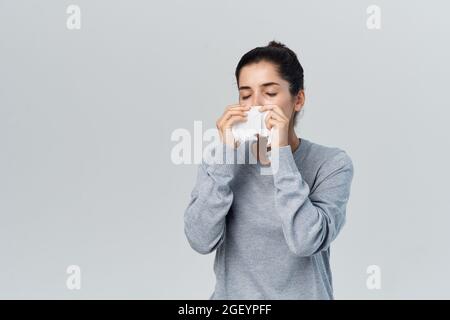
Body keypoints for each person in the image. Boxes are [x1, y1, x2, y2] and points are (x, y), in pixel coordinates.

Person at [183, 40, 354, 299]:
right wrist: (226, 154)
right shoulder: (220, 161)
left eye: (270, 93)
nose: (256, 104)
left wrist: (280, 153)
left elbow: (305, 241)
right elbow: (200, 239)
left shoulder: (332, 163)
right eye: (245, 94)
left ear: (298, 100)